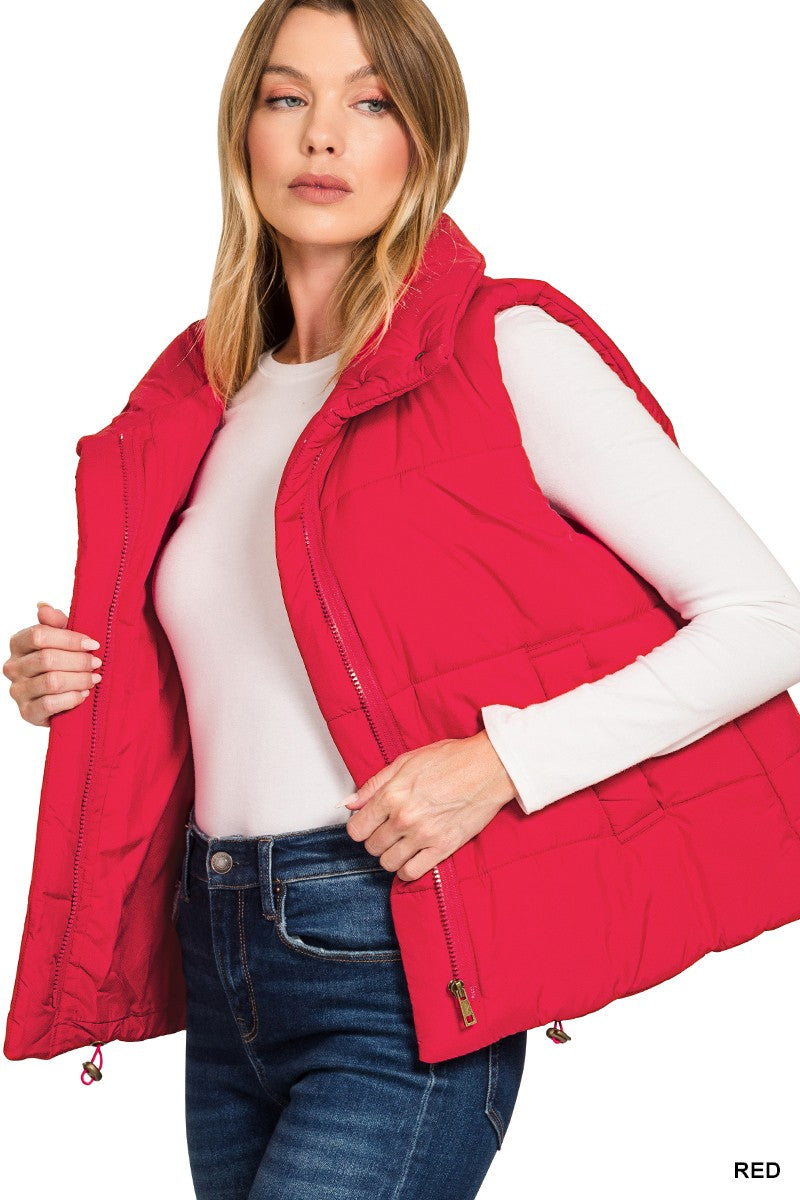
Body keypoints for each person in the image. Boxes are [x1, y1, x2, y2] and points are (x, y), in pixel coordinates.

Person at [5, 2, 800, 1198]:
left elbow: (763, 618)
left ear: (425, 141)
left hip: (394, 948)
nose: (321, 135)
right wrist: (69, 677)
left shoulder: (499, 346)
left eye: (369, 102)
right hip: (217, 947)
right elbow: (247, 671)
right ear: (241, 132)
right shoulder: (200, 390)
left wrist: (498, 763)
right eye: (286, 98)